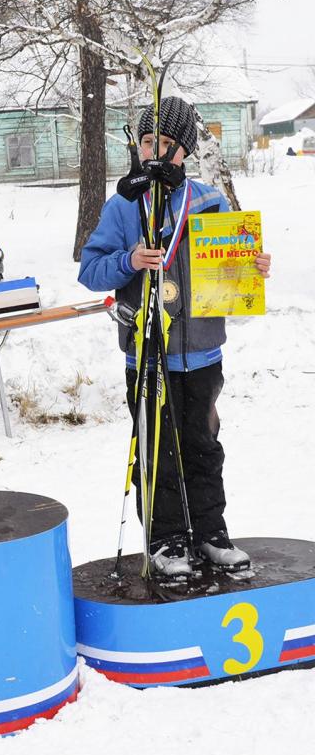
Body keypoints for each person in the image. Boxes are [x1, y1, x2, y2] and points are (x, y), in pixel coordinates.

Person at [78, 96, 272, 577]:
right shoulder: (124, 205)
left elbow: (231, 266)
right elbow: (90, 270)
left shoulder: (208, 201)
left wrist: (252, 266)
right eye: (148, 142)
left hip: (202, 354)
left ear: (184, 150)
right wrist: (128, 261)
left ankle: (210, 533)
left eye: (166, 143)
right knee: (158, 451)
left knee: (203, 447)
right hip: (147, 356)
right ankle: (166, 540)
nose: (156, 152)